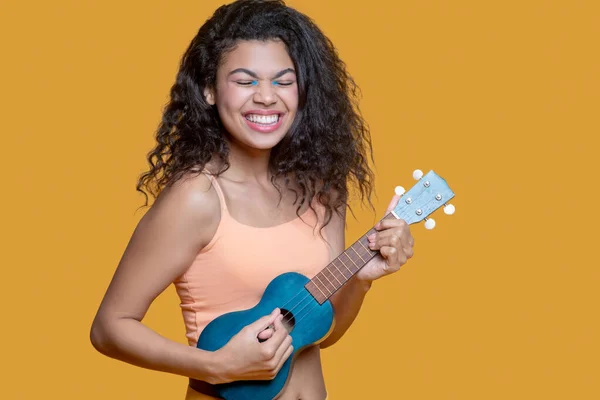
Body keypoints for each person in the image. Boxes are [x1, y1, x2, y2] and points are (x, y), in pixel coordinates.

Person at [90, 0, 414, 399]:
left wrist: (361, 282)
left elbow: (322, 335)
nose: (266, 97)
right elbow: (109, 327)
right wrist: (217, 366)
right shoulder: (198, 198)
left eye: (283, 80)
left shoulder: (324, 188)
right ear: (209, 89)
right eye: (245, 81)